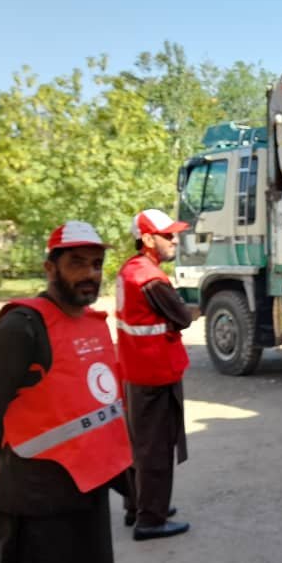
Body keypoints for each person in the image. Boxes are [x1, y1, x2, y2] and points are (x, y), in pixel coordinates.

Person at [0, 221, 131, 563]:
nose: (90, 274)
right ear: (49, 267)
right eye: (76, 263)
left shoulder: (89, 322)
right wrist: (9, 456)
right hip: (38, 494)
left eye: (96, 264)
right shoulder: (22, 327)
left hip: (85, 483)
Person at [116, 208, 193, 540]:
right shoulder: (150, 278)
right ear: (147, 239)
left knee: (140, 444)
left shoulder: (130, 270)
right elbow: (183, 317)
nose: (175, 239)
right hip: (156, 373)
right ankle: (151, 519)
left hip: (137, 372)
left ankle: (139, 506)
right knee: (156, 448)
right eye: (167, 235)